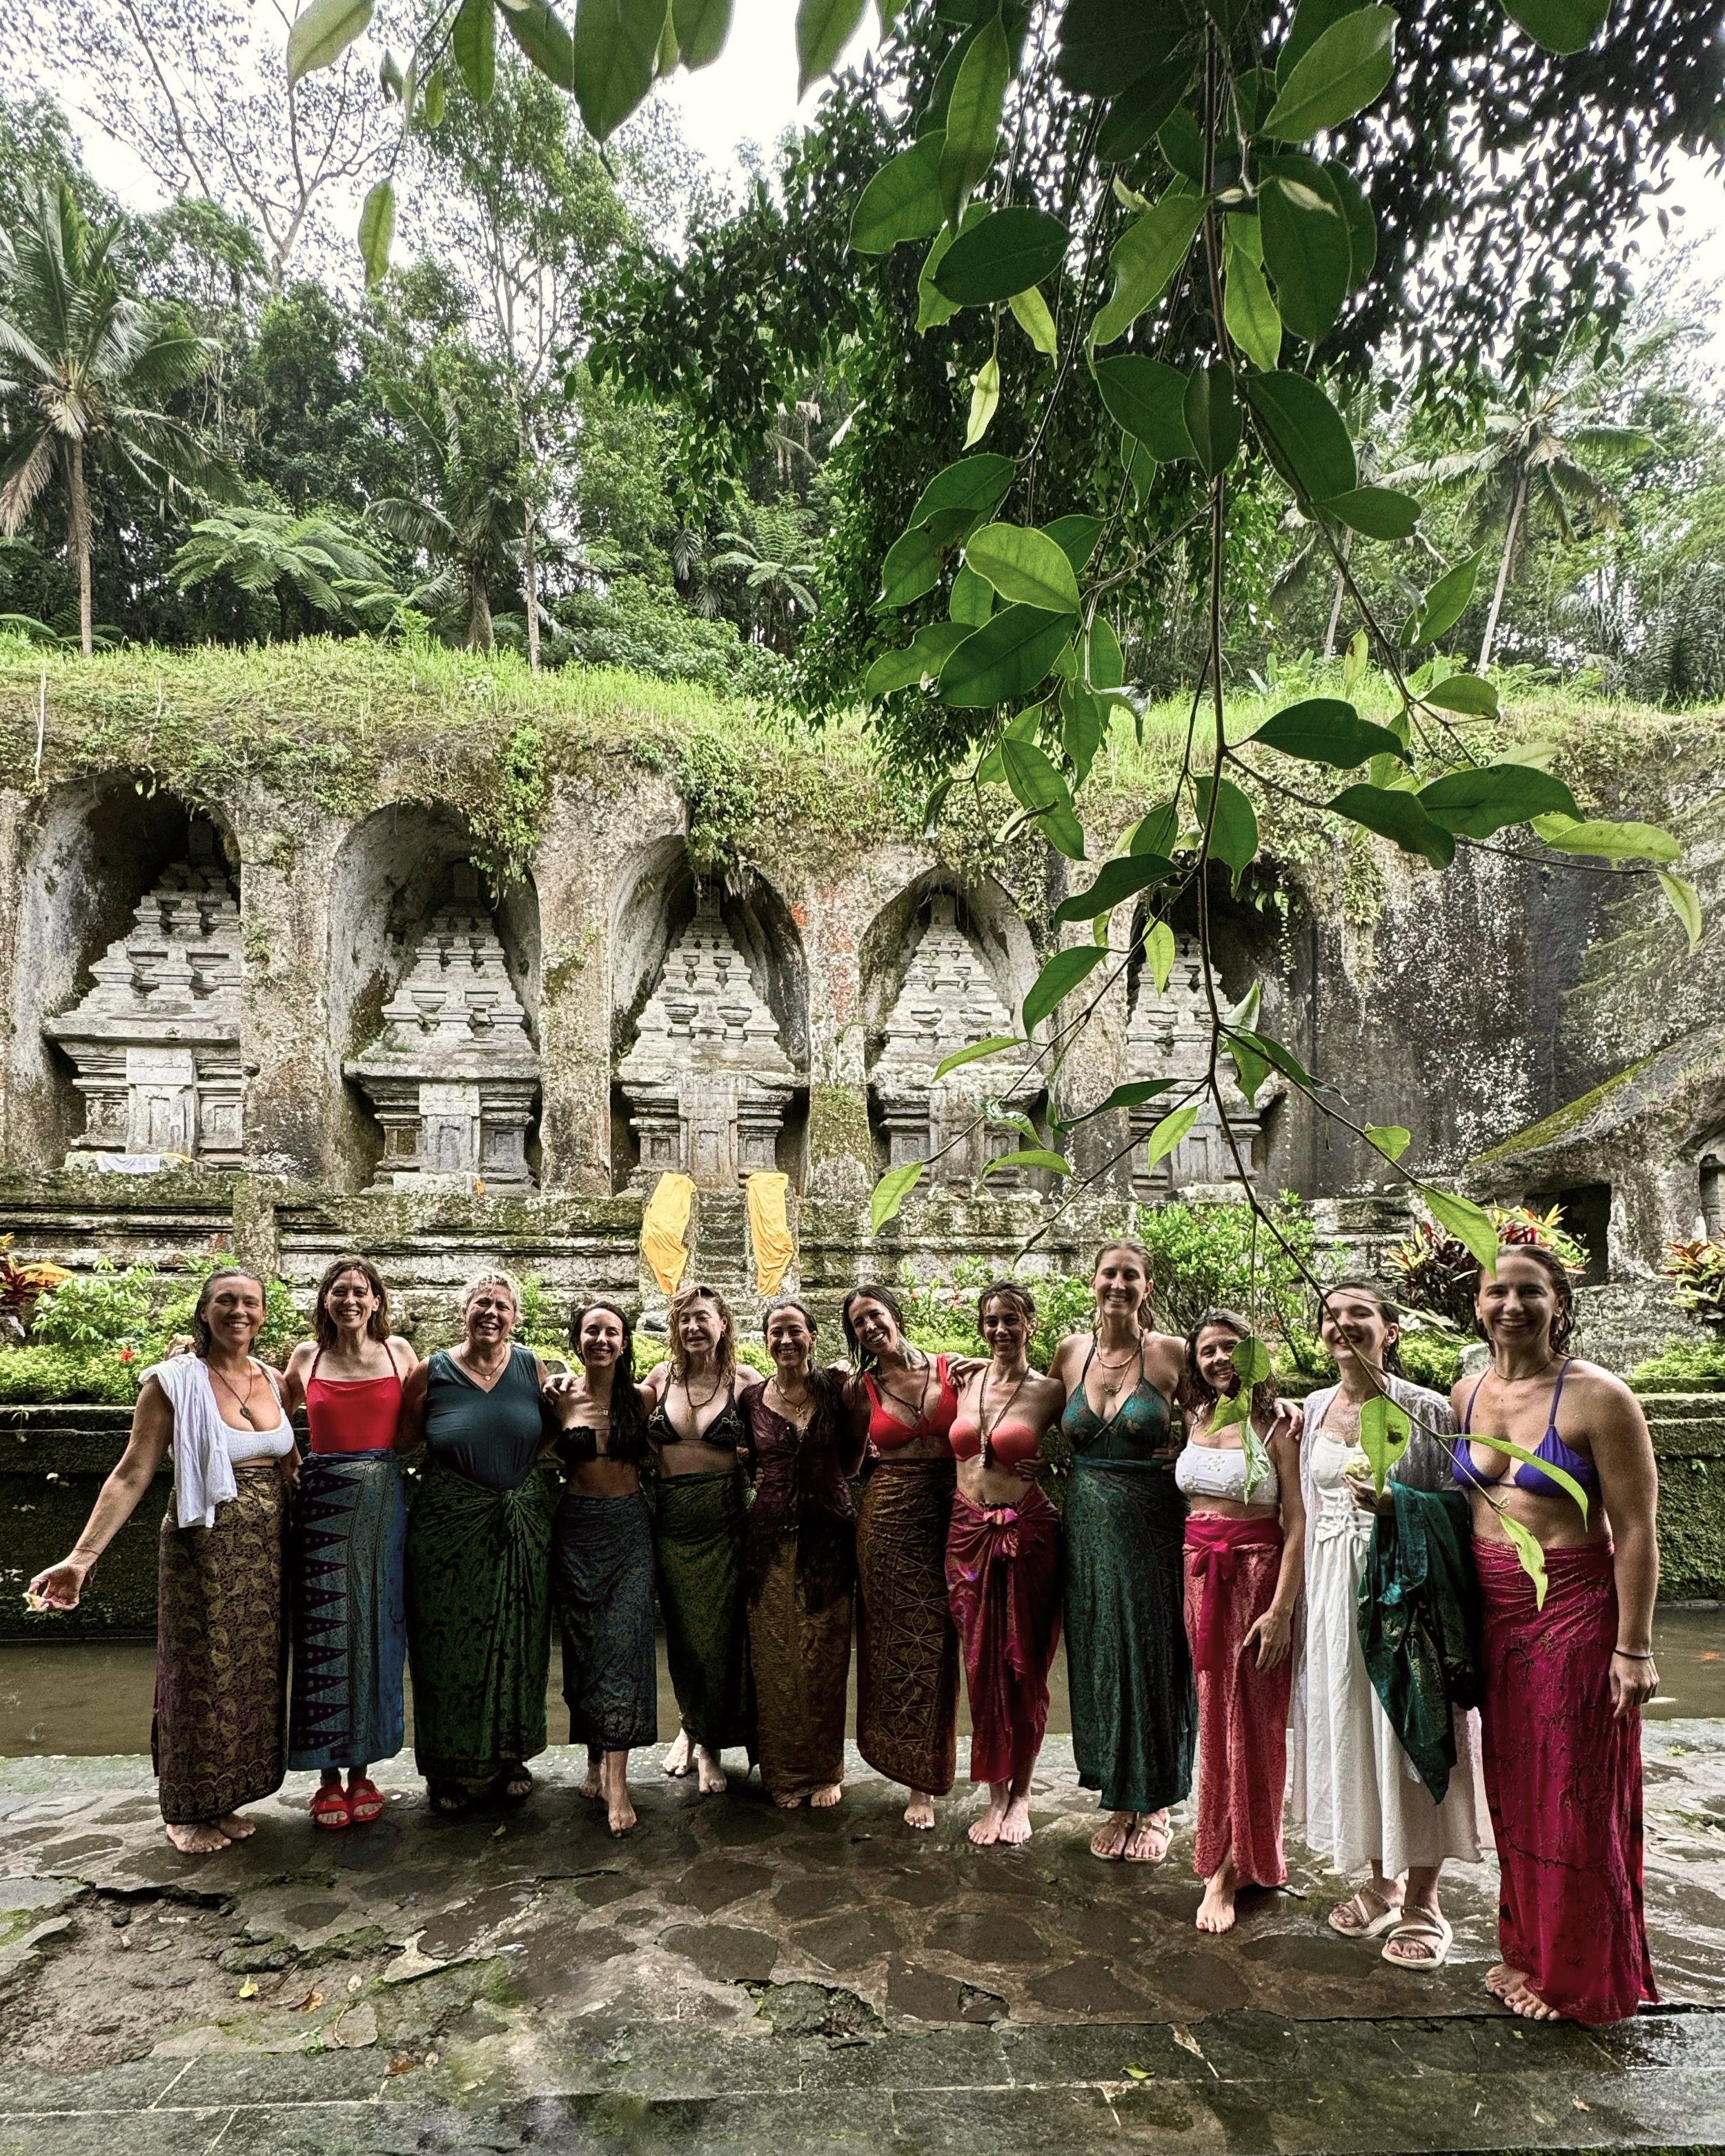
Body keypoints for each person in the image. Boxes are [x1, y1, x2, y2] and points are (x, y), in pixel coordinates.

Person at [1452, 1245, 1659, 2026]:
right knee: (1514, 1790)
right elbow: (1461, 1503)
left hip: (1571, 1609)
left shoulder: (1599, 1397)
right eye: (1496, 1291)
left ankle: (1579, 1976)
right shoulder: (1466, 1390)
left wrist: (1632, 1646)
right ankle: (1530, 1947)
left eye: (1528, 1291)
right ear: (1476, 1303)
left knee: (1574, 1792)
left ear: (1558, 1301)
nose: (1511, 1304)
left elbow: (1636, 1529)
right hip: (1493, 1613)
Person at [28, 1267, 294, 1855]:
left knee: (250, 1675)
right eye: (226, 1301)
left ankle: (225, 1795)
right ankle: (184, 1807)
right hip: (203, 1546)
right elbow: (132, 1471)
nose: (239, 1311)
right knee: (198, 1673)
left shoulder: (274, 1380)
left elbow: (287, 1460)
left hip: (267, 1552)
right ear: (205, 1311)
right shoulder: (172, 1382)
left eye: (251, 1302)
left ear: (263, 1314)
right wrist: (81, 1557)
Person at [1292, 1282, 1479, 1970]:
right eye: (1331, 1315)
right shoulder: (1312, 1408)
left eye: (1358, 1315)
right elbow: (1304, 1507)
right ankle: (1380, 1875)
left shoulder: (1424, 1409)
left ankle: (1426, 1898)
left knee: (1410, 1727)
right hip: (1333, 1597)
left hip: (1404, 1594)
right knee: (1353, 1731)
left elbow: (1465, 1510)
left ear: (1390, 1329)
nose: (1342, 1325)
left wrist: (1400, 1500)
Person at [1049, 1242, 1193, 1863]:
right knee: (1099, 1647)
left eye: (1130, 1275)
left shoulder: (1170, 1354)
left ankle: (1156, 1802)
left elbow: (1219, 1415)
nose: (1118, 1284)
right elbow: (1029, 1405)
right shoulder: (1069, 1353)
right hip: (1084, 1520)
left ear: (1147, 1285)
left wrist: (1281, 1412)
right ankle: (1117, 1795)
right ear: (1092, 1282)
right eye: (1109, 1273)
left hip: (1151, 1519)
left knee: (1151, 1649)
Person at [397, 1272, 558, 1815]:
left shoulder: (531, 1366)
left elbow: (550, 1431)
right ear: (463, 1310)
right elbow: (403, 1440)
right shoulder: (431, 1371)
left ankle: (512, 1754)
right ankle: (447, 1765)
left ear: (515, 1316)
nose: (492, 1312)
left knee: (519, 1637)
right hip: (448, 1525)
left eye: (503, 1306)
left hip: (519, 1521)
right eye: (482, 1303)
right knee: (445, 1645)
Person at [1178, 1309, 1305, 1932]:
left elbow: (1299, 1523)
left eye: (1232, 1347)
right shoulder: (1196, 1417)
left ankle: (1231, 1869)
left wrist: (1281, 1609)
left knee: (1252, 1721)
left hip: (1255, 1577)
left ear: (1255, 1355)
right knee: (1213, 1715)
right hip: (1199, 1576)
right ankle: (1225, 1852)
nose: (1220, 1358)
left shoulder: (1277, 1424)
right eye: (1207, 1350)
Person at [280, 1256, 413, 1830]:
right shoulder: (306, 1357)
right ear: (326, 1300)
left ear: (377, 1300)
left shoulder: (399, 1353)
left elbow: (421, 1423)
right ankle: (326, 1779)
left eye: (361, 1291)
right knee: (325, 1632)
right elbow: (276, 1421)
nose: (351, 1300)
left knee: (377, 1626)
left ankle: (363, 1769)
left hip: (382, 1505)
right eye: (340, 1291)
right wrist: (295, 1470)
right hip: (323, 1505)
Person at [945, 1281, 1066, 1848]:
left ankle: (1021, 1794)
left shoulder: (1052, 1390)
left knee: (1026, 1666)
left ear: (1030, 1325)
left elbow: (1096, 1438)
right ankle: (994, 1793)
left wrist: (1055, 1470)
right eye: (991, 1320)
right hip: (967, 1532)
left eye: (1011, 1319)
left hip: (1028, 1532)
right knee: (979, 1664)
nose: (1000, 1330)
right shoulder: (964, 1379)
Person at [845, 1283, 962, 1830]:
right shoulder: (858, 1387)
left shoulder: (954, 1368)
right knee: (897, 1642)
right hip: (888, 1522)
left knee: (941, 1642)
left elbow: (1010, 1393)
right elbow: (845, 1460)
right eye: (858, 1324)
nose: (869, 1327)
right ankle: (916, 1782)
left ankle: (934, 1764)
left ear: (894, 1313)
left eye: (874, 1314)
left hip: (954, 1515)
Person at [544, 1301, 658, 1837]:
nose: (602, 1339)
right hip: (577, 1528)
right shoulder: (560, 1395)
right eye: (592, 1330)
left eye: (611, 1331)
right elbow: (531, 1445)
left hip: (630, 1529)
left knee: (623, 1646)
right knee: (585, 1647)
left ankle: (618, 1780)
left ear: (625, 1341)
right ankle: (593, 1756)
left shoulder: (642, 1398)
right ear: (578, 1338)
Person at [741, 1299, 860, 1809]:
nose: (785, 1340)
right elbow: (750, 1462)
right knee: (775, 1654)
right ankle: (786, 1771)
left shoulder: (837, 1390)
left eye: (795, 1331)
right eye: (776, 1332)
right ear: (766, 1340)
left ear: (812, 1336)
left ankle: (826, 1769)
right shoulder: (750, 1399)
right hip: (768, 1539)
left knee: (825, 1655)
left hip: (829, 1536)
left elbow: (853, 1456)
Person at [642, 1284, 756, 1795]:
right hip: (673, 1520)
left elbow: (788, 1421)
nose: (692, 1327)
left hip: (726, 1520)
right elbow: (608, 1409)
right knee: (686, 1638)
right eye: (684, 1319)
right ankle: (690, 1727)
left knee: (721, 1638)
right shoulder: (659, 1378)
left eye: (702, 1318)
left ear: (723, 1324)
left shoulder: (746, 1382)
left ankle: (709, 1745)